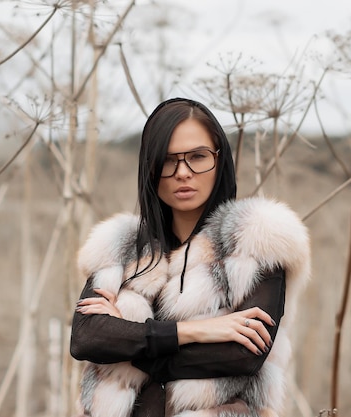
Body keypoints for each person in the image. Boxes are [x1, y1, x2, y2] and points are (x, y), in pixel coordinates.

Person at [70, 97, 311, 417]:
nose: (183, 172)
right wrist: (196, 331)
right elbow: (86, 338)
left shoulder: (256, 240)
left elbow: (242, 355)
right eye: (168, 160)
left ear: (219, 159)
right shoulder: (122, 246)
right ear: (150, 168)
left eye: (198, 157)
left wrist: (128, 347)